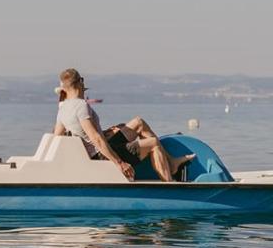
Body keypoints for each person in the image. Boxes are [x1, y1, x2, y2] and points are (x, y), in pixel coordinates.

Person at [52, 68, 192, 182]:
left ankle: (171, 162)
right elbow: (96, 139)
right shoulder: (81, 106)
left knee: (138, 123)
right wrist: (119, 163)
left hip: (100, 147)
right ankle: (168, 186)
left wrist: (105, 132)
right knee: (153, 143)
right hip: (102, 154)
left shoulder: (63, 109)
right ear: (80, 83)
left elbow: (57, 136)